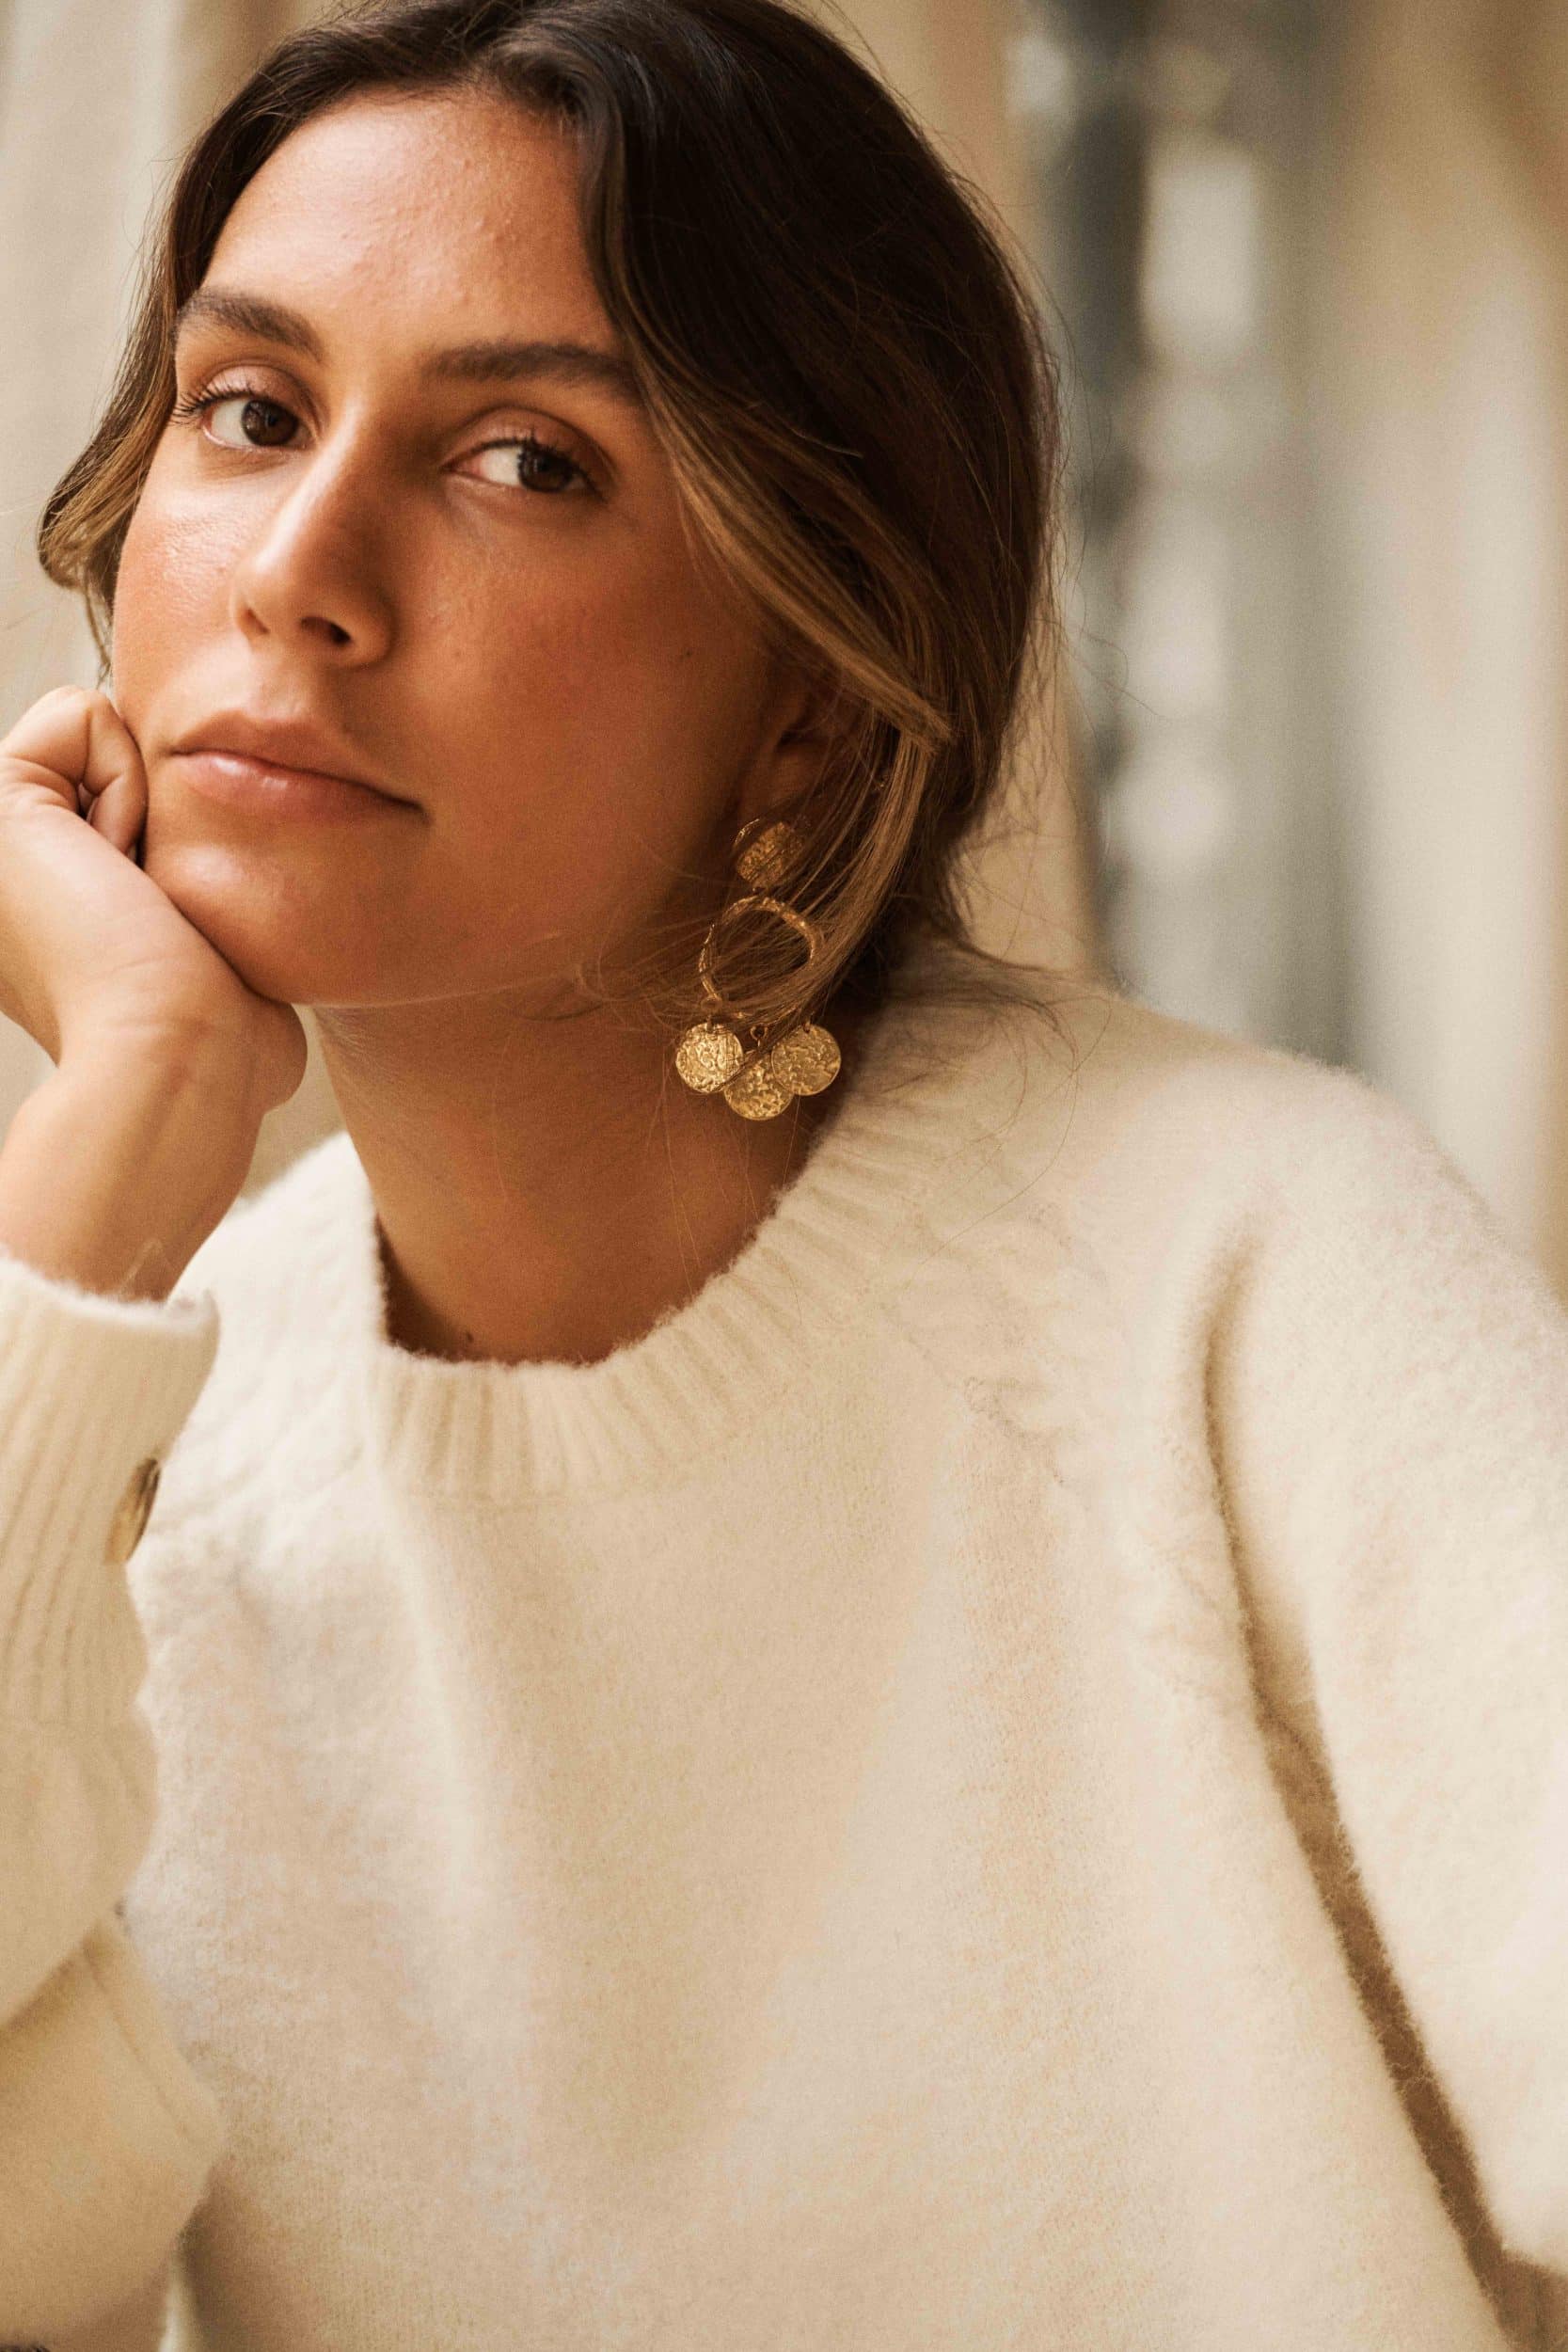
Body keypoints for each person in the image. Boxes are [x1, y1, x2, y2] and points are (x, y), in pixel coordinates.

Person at [0, 0, 1564, 2346]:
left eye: (524, 459)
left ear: (810, 699)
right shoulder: (155, 1448)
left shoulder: (1238, 1269)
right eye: (249, 410)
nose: (300, 572)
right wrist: (104, 1150)